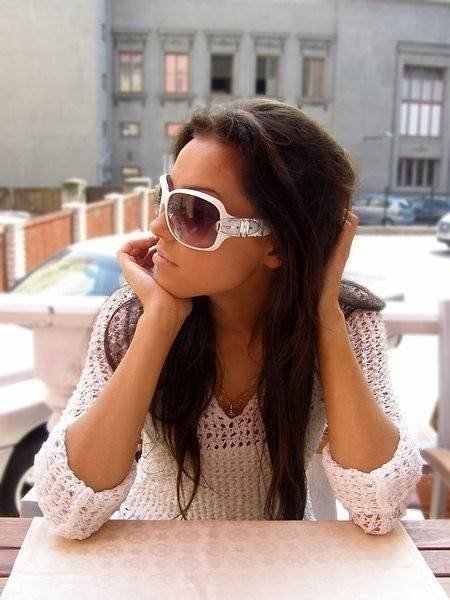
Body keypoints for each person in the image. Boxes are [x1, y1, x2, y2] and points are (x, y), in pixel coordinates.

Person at [33, 98, 424, 540]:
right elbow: (68, 512)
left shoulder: (346, 325)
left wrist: (326, 320)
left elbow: (379, 507)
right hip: (154, 557)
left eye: (194, 212)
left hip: (282, 560)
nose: (158, 226)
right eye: (165, 197)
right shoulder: (131, 318)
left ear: (276, 244)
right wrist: (159, 324)